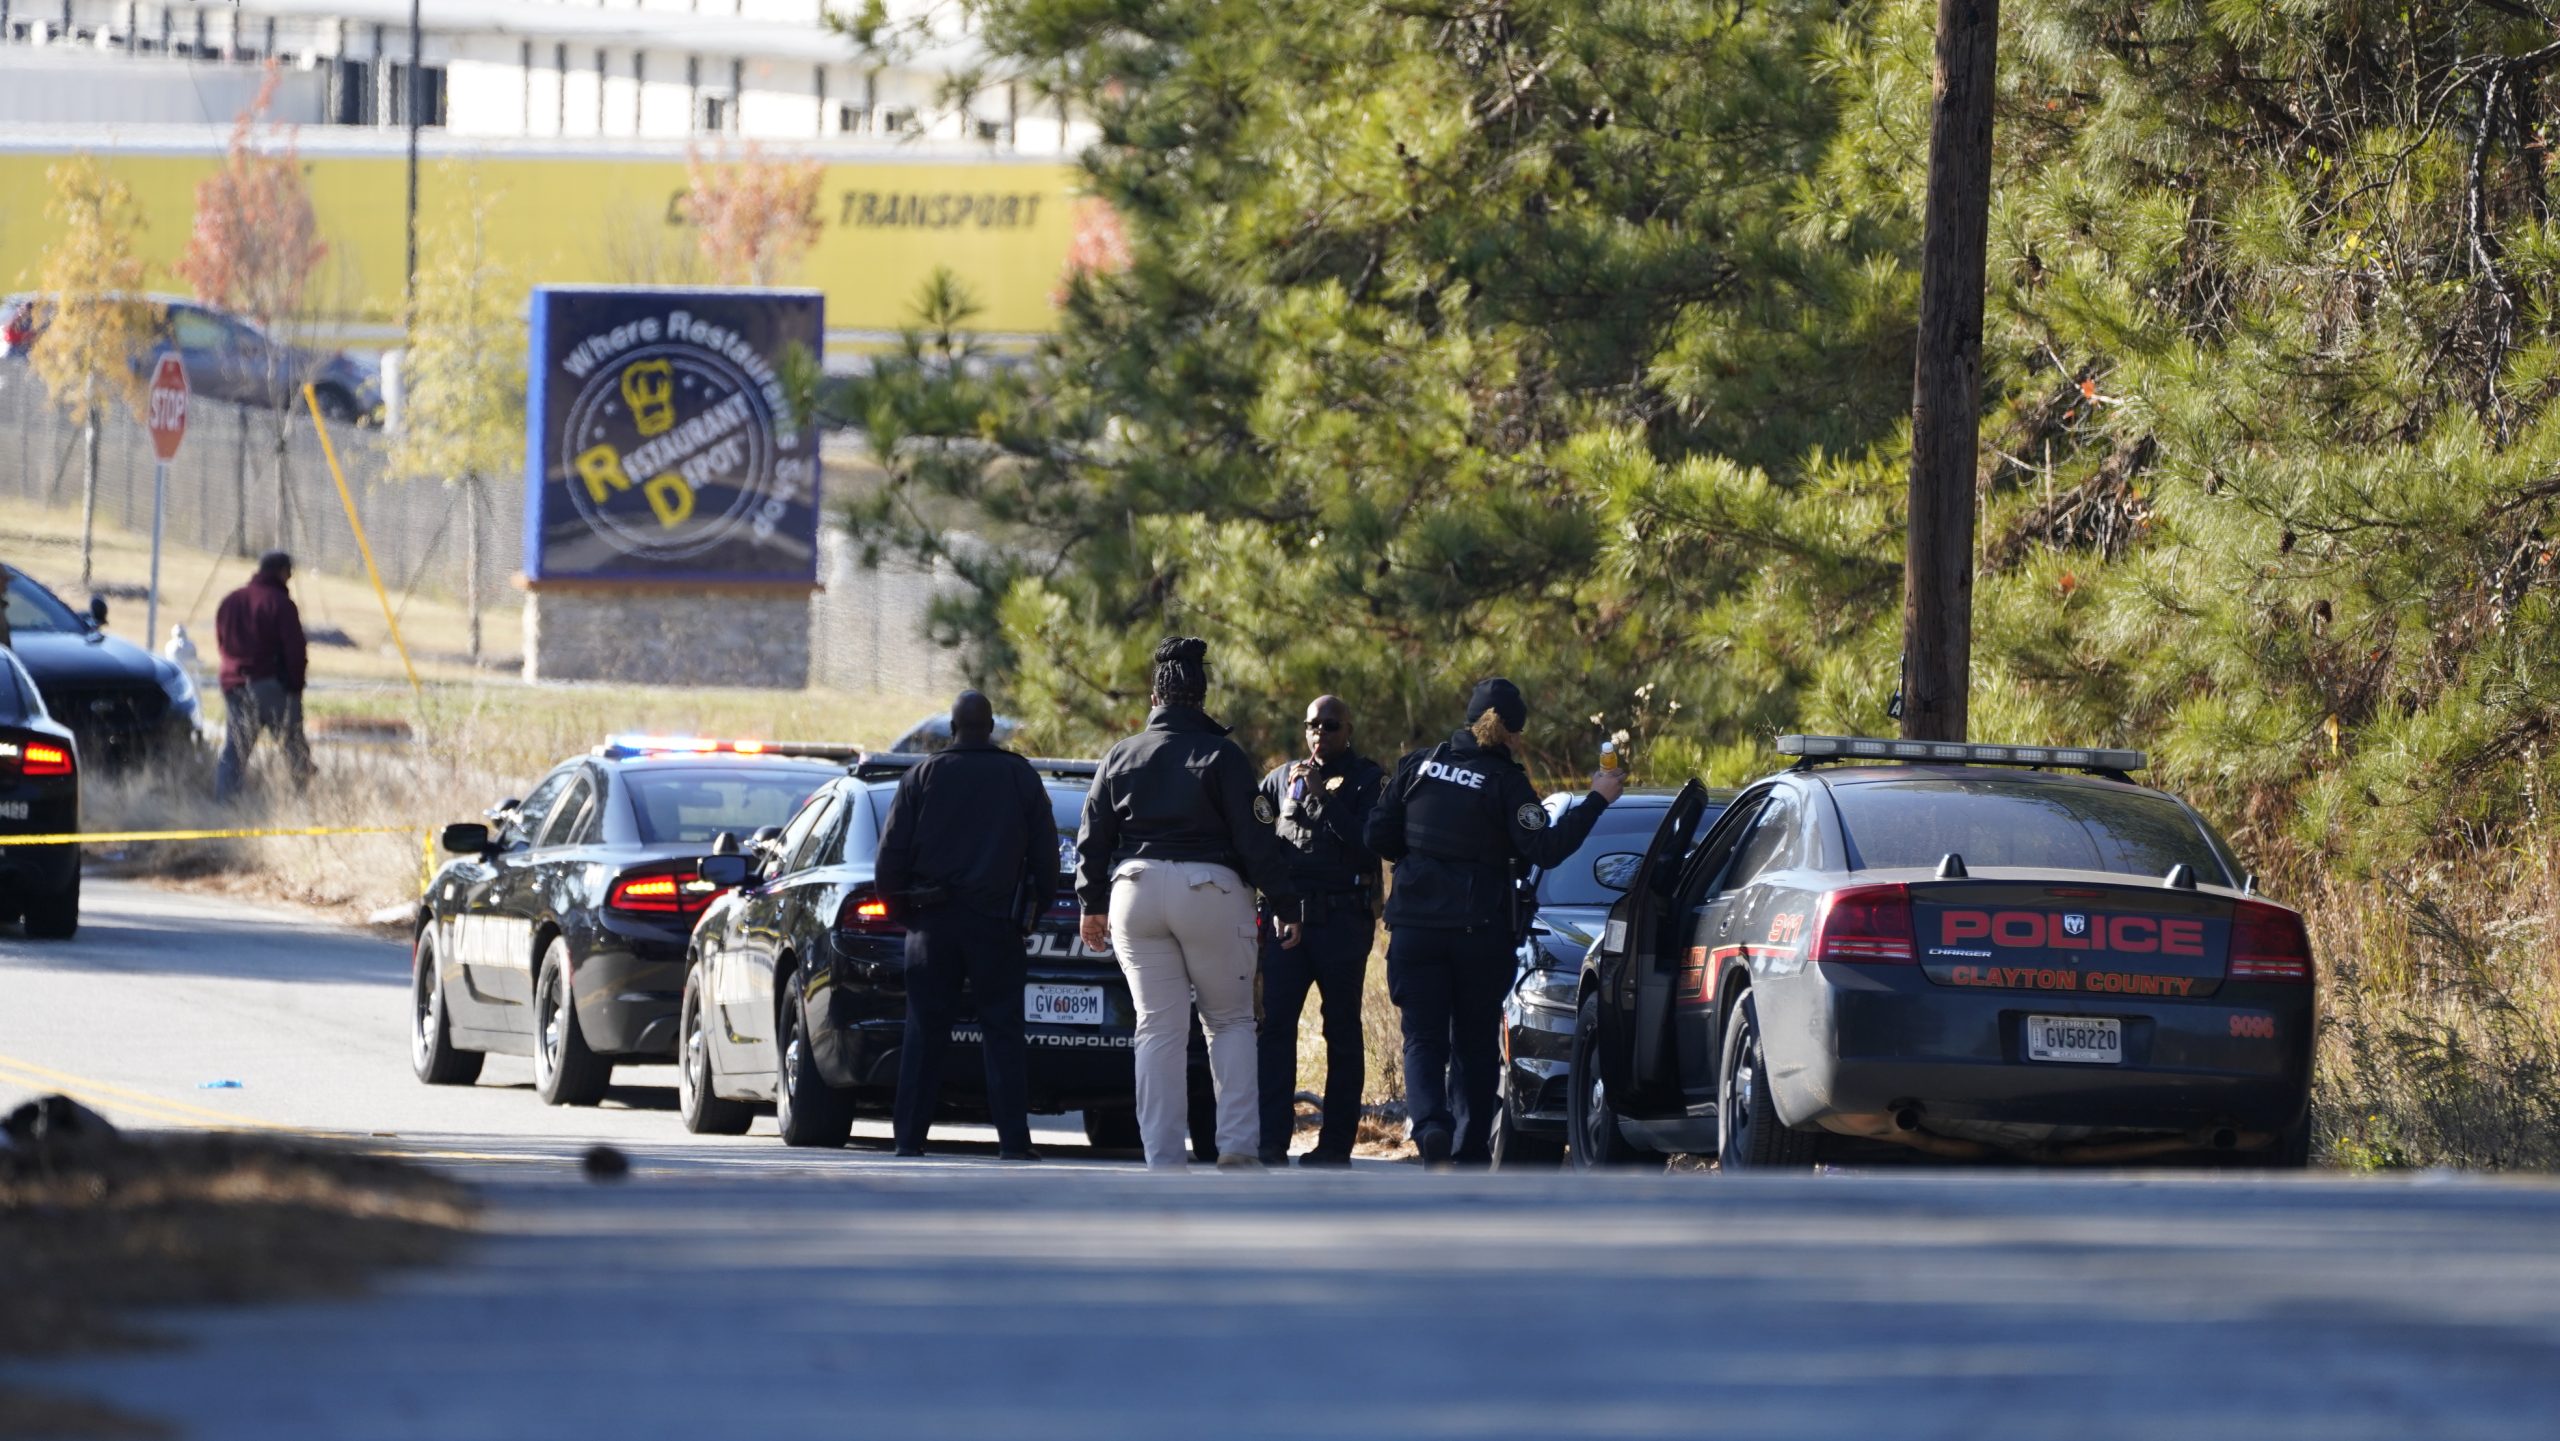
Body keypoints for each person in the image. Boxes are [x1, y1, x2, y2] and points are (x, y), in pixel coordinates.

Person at [1367, 677, 1622, 1167]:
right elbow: (1545, 847)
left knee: (1422, 1037)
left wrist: (1423, 864)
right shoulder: (1506, 782)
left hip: (1416, 930)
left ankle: (1431, 1129)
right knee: (1475, 1043)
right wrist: (1597, 799)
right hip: (1477, 934)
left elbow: (1377, 834)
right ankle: (1466, 1152)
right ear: (1512, 734)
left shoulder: (1419, 765)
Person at [1076, 636, 1305, 1171]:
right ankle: (1237, 1148)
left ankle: (1162, 1157)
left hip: (1134, 889)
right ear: (1201, 699)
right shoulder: (1222, 756)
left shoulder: (1121, 754)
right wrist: (1285, 903)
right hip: (1210, 891)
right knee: (1228, 1022)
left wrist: (1091, 903)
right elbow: (1255, 840)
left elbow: (1092, 836)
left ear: (1154, 699)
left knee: (1157, 1027)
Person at [875, 690, 1057, 1161]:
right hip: (996, 925)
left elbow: (890, 859)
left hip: (932, 924)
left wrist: (906, 917)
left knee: (924, 1032)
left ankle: (908, 1140)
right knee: (1003, 1034)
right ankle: (1014, 1143)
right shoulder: (1020, 776)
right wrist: (1031, 915)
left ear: (952, 728)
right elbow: (1045, 857)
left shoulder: (921, 776)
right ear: (991, 725)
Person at [1254, 695, 1385, 1166]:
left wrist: (1324, 797)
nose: (1319, 734)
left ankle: (1334, 1147)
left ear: (1349, 728)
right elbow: (1257, 843)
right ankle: (1270, 1140)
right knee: (1273, 1032)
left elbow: (1370, 844)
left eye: (1330, 725)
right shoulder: (1277, 779)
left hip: (1343, 923)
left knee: (1343, 1034)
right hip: (1288, 924)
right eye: (1312, 725)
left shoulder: (1370, 780)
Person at [213, 551, 313, 802]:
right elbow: (295, 650)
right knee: (293, 747)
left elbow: (222, 644)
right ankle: (302, 803)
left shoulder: (230, 601)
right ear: (281, 571)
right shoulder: (279, 603)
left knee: (234, 752)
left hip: (233, 685)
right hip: (270, 686)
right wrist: (295, 687)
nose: (290, 578)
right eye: (289, 573)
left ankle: (224, 808)